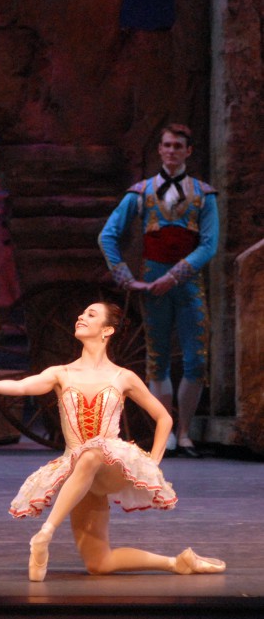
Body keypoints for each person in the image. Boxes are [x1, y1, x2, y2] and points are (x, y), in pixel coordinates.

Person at [0, 302, 226, 581]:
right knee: (99, 563)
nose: (81, 316)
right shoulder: (61, 373)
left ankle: (45, 533)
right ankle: (177, 563)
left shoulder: (123, 376)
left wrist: (152, 464)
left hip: (111, 464)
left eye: (90, 315)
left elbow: (164, 418)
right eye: (81, 313)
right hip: (79, 471)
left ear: (107, 330)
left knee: (93, 453)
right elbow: (22, 386)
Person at [98, 124, 219, 458]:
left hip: (188, 282)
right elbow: (107, 235)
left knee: (196, 359)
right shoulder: (141, 192)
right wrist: (125, 276)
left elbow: (209, 245)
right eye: (166, 145)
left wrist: (177, 274)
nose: (171, 151)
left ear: (188, 151)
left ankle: (185, 433)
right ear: (160, 150)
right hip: (153, 283)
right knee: (157, 358)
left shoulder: (204, 194)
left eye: (178, 146)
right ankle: (165, 432)